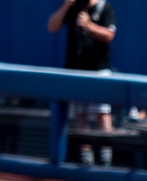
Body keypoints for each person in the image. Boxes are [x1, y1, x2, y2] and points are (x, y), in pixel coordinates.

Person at [47, 0, 116, 166]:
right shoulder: (73, 7)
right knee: (80, 115)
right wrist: (65, 5)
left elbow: (108, 35)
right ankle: (86, 159)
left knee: (102, 114)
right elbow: (52, 27)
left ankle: (106, 158)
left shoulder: (104, 8)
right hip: (76, 71)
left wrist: (88, 25)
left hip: (99, 71)